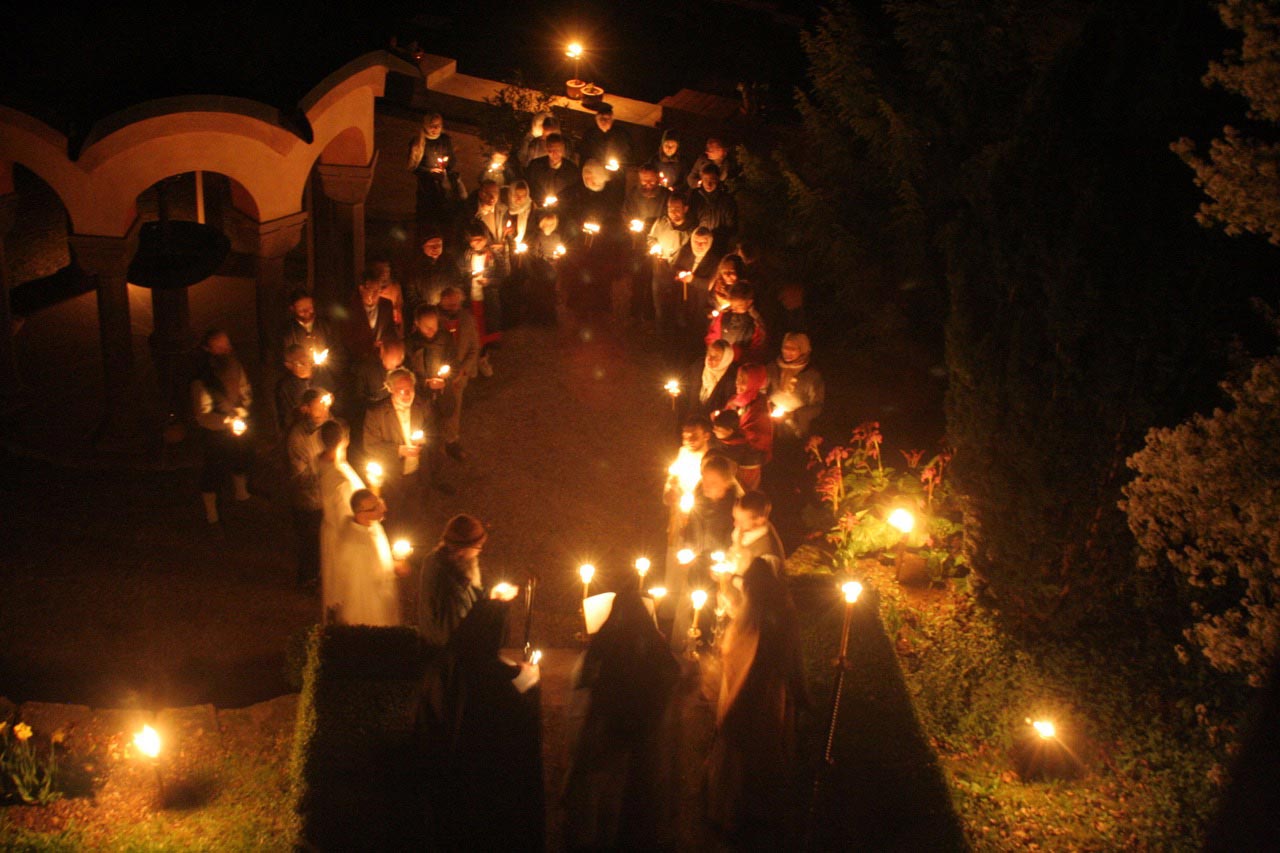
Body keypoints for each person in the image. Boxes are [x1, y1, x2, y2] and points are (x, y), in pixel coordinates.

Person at [417, 597, 544, 849]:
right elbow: (509, 721)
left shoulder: (444, 663)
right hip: (484, 783)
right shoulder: (489, 673)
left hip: (446, 777)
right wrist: (529, 683)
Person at [562, 588, 681, 850]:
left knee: (608, 787)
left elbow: (582, 678)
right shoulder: (652, 642)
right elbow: (673, 674)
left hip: (610, 723)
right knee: (637, 785)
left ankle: (603, 833)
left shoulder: (607, 638)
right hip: (642, 726)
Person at [705, 555, 806, 847]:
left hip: (759, 693)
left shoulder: (773, 617)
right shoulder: (775, 610)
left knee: (749, 754)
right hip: (757, 691)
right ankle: (740, 811)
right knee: (752, 753)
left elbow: (751, 653)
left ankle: (740, 814)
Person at [191, 328, 253, 525]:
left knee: (240, 456)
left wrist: (243, 409)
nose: (226, 349)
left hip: (237, 423)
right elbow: (202, 413)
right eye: (220, 347)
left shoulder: (234, 364)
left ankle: (241, 493)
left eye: (227, 345)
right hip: (215, 432)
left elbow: (245, 388)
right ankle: (211, 511)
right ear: (208, 349)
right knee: (214, 468)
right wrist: (225, 420)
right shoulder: (203, 377)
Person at [362, 368, 431, 530]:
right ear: (390, 389)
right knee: (393, 518)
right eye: (401, 390)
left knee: (415, 517)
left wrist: (425, 441)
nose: (407, 395)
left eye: (410, 389)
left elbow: (433, 431)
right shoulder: (376, 414)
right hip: (392, 479)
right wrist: (399, 450)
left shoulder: (422, 405)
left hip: (417, 475)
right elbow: (370, 446)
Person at [413, 513, 489, 646]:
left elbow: (474, 596)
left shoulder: (444, 561)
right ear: (461, 549)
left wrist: (491, 596)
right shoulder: (449, 577)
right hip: (446, 652)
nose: (480, 551)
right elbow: (453, 627)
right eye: (477, 546)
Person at [332, 488, 402, 626]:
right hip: (369, 610)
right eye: (376, 507)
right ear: (361, 513)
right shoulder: (354, 545)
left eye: (380, 502)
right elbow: (358, 589)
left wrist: (398, 560)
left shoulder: (375, 526)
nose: (383, 508)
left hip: (384, 598)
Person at [318, 419, 365, 624]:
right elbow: (348, 517)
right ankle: (345, 623)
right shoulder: (342, 480)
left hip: (329, 531)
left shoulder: (320, 460)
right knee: (345, 584)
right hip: (342, 537)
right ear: (344, 441)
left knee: (333, 581)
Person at [286, 389, 332, 590]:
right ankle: (306, 579)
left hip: (327, 496)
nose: (323, 409)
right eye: (317, 405)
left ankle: (323, 575)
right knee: (310, 541)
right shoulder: (297, 437)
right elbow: (300, 476)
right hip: (308, 500)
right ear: (305, 409)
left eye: (325, 404)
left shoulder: (331, 425)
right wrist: (323, 469)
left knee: (326, 539)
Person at [721, 491, 786, 618]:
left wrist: (732, 578)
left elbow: (759, 590)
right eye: (734, 518)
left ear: (760, 520)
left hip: (751, 616)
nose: (735, 524)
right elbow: (734, 553)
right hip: (732, 605)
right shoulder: (745, 529)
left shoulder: (768, 554)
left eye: (740, 521)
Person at [437, 286, 478, 461]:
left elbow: (474, 347)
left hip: (459, 375)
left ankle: (451, 441)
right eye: (449, 304)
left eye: (456, 304)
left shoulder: (467, 319)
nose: (453, 307)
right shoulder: (435, 319)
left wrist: (463, 370)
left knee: (454, 410)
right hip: (437, 373)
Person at [647, 192, 694, 336]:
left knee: (677, 306)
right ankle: (661, 334)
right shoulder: (661, 222)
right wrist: (654, 247)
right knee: (659, 305)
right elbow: (651, 238)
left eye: (677, 209)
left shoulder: (690, 230)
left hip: (676, 275)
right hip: (659, 271)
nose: (673, 213)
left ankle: (677, 337)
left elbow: (689, 252)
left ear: (685, 209)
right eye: (670, 209)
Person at [767, 332, 825, 441]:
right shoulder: (772, 368)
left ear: (803, 350)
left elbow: (817, 406)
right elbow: (762, 390)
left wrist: (793, 415)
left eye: (793, 348)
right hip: (770, 426)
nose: (787, 351)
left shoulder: (811, 377)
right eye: (785, 347)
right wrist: (768, 407)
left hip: (795, 430)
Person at [408, 112, 462, 229]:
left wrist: (446, 164)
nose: (435, 128)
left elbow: (453, 160)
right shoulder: (418, 142)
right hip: (426, 187)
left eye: (438, 125)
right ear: (425, 126)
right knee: (427, 217)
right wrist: (429, 170)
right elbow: (414, 167)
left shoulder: (445, 140)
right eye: (432, 125)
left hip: (444, 185)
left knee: (445, 214)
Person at [725, 363, 774, 484]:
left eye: (744, 380)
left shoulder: (759, 408)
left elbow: (756, 439)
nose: (738, 383)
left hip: (748, 463)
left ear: (754, 383)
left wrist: (727, 435)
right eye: (738, 378)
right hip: (733, 457)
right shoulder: (736, 401)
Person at [281, 289, 339, 389]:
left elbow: (336, 351)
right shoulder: (287, 332)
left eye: (309, 307)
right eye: (301, 309)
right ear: (292, 309)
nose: (307, 312)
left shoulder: (325, 325)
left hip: (326, 379)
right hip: (300, 384)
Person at [343, 264, 398, 363]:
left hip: (381, 358)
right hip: (358, 359)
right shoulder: (350, 308)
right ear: (361, 289)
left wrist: (384, 343)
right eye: (369, 290)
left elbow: (390, 330)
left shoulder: (386, 305)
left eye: (377, 290)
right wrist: (368, 346)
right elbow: (347, 337)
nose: (373, 295)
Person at [672, 226, 721, 334]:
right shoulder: (685, 251)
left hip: (700, 301)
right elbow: (675, 267)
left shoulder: (714, 261)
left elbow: (709, 284)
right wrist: (679, 273)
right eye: (696, 241)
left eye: (703, 242)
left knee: (697, 325)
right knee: (681, 321)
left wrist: (692, 279)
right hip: (683, 295)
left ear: (710, 242)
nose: (699, 245)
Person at [705, 282, 768, 365]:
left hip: (740, 363)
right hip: (720, 360)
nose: (734, 309)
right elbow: (713, 335)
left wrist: (739, 354)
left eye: (739, 306)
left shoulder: (755, 323)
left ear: (749, 302)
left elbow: (757, 348)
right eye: (732, 305)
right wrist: (715, 349)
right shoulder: (724, 315)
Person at [404, 231, 460, 318]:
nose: (435, 248)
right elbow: (410, 293)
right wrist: (424, 308)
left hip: (448, 313)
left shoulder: (450, 264)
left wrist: (450, 302)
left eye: (438, 245)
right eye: (431, 246)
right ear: (423, 247)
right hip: (426, 314)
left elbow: (458, 283)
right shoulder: (415, 267)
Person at [680, 340, 737, 422]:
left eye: (716, 357)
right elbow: (686, 385)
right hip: (691, 417)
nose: (710, 359)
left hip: (711, 424)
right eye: (709, 354)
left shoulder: (730, 378)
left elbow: (728, 404)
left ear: (726, 359)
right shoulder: (699, 365)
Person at [524, 133, 581, 208]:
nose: (555, 153)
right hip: (540, 208)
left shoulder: (571, 169)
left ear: (563, 149)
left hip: (563, 210)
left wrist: (559, 200)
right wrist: (540, 201)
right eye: (551, 150)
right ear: (546, 149)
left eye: (558, 150)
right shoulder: (535, 166)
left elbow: (574, 190)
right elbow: (530, 186)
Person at [690, 163, 738, 245]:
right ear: (701, 180)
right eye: (705, 180)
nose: (709, 184)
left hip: (718, 243)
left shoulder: (726, 200)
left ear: (717, 180)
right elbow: (690, 219)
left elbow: (732, 226)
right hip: (697, 242)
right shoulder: (695, 197)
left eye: (712, 180)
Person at [275, 344, 317, 435]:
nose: (306, 365)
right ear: (289, 365)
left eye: (306, 359)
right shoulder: (287, 386)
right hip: (300, 433)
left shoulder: (316, 377)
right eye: (300, 363)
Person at [579, 101, 634, 168]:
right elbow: (584, 154)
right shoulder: (590, 135)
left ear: (612, 119)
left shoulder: (621, 135)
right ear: (596, 119)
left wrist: (618, 165)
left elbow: (627, 154)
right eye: (601, 119)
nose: (603, 121)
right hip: (595, 170)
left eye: (606, 119)